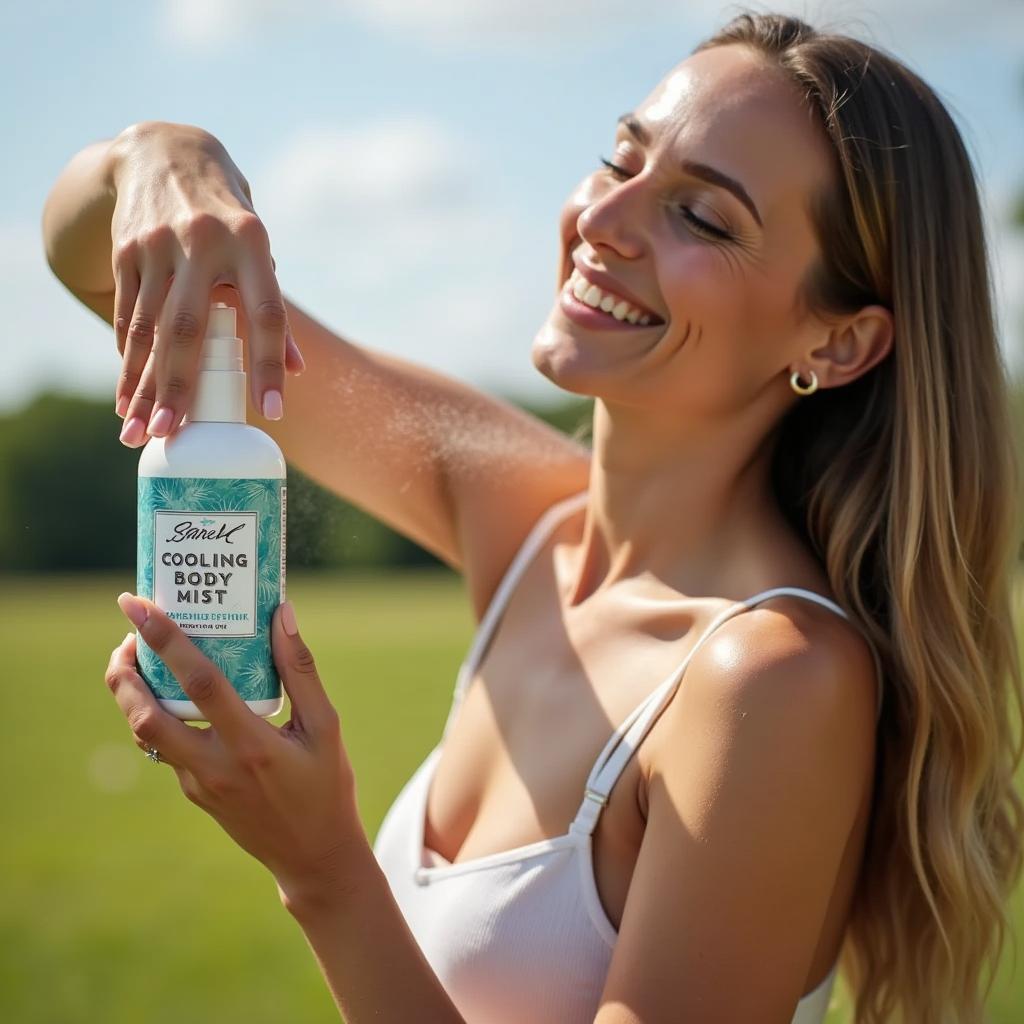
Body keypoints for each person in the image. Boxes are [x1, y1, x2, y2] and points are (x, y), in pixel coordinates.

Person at [43, 10, 1023, 1023]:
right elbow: (85, 258)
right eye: (620, 159)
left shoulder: (770, 680)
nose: (607, 218)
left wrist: (322, 868)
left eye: (705, 218)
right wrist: (162, 156)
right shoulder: (523, 517)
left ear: (841, 340)